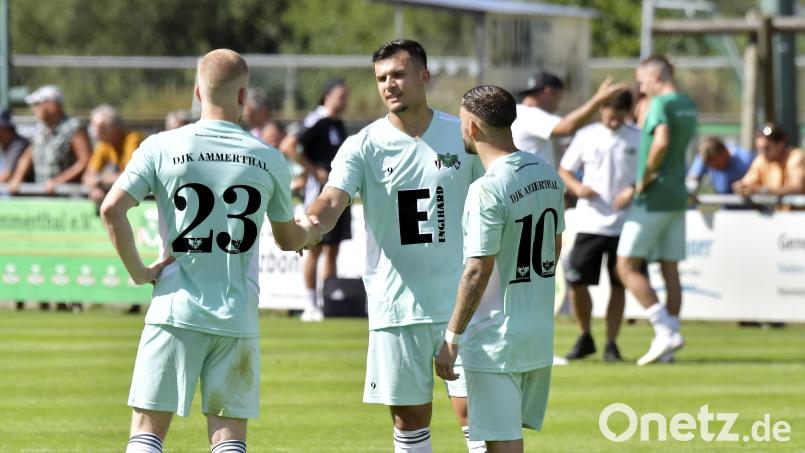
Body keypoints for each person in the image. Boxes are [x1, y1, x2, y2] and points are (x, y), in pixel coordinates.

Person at [100, 49, 319, 453]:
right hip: (236, 314)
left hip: (173, 309)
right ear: (243, 98)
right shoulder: (268, 158)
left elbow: (111, 209)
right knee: (228, 440)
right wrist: (309, 231)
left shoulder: (161, 146)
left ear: (198, 92)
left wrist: (138, 272)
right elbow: (288, 240)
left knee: (147, 433)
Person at [305, 39, 486, 453]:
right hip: (395, 305)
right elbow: (333, 199)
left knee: (474, 415)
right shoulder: (363, 145)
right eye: (382, 78)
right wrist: (313, 220)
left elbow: (495, 190)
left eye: (399, 74)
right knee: (409, 421)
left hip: (461, 302)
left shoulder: (463, 136)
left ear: (424, 76)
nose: (390, 84)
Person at [435, 85, 565, 453]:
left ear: (473, 127)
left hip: (496, 340)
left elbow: (478, 269)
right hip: (537, 335)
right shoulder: (547, 173)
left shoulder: (487, 188)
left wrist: (451, 338)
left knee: (502, 445)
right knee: (508, 440)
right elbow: (555, 246)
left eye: (462, 122)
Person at [616, 55, 698, 366]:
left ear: (656, 77)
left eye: (643, 80)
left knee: (625, 266)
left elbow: (661, 143)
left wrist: (643, 179)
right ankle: (670, 347)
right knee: (670, 268)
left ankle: (665, 332)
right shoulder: (687, 103)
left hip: (655, 194)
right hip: (678, 193)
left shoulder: (660, 104)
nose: (641, 86)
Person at [558, 91, 640, 362]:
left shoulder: (637, 137)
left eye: (618, 113)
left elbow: (649, 172)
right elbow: (565, 169)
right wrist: (578, 187)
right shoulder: (587, 135)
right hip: (590, 221)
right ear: (601, 110)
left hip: (624, 223)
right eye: (607, 111)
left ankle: (611, 343)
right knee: (577, 280)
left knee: (619, 285)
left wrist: (633, 189)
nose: (612, 118)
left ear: (627, 112)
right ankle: (585, 336)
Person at [295, 78, 351, 321]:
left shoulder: (338, 124)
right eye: (340, 95)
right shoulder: (317, 121)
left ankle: (327, 302)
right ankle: (309, 304)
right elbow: (290, 145)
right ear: (327, 95)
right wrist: (313, 170)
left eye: (346, 96)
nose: (344, 100)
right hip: (319, 195)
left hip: (339, 192)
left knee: (333, 249)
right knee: (315, 248)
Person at [510, 71, 628, 167]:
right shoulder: (529, 115)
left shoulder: (520, 112)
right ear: (548, 92)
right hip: (530, 191)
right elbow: (567, 127)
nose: (558, 105)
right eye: (558, 98)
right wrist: (598, 100)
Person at [8, 85, 92, 195]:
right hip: (44, 196)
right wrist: (17, 178)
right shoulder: (41, 129)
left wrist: (60, 181)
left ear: (52, 105)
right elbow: (28, 156)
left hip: (69, 197)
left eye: (37, 104)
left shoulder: (74, 128)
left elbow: (86, 160)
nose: (34, 109)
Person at [83, 104, 145, 204]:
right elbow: (88, 176)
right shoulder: (104, 144)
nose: (95, 131)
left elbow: (132, 176)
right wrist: (94, 187)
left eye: (101, 127)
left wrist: (100, 180)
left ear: (114, 128)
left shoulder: (133, 140)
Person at [732, 124, 805, 204]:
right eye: (759, 149)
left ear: (781, 144)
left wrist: (761, 190)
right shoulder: (761, 160)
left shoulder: (795, 157)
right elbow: (747, 183)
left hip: (799, 215)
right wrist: (741, 187)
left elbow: (798, 188)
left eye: (767, 148)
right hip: (777, 214)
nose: (763, 153)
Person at [686, 136, 753, 195]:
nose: (714, 167)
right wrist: (692, 186)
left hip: (746, 206)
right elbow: (692, 179)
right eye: (711, 165)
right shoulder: (704, 158)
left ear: (725, 152)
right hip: (723, 205)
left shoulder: (745, 160)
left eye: (716, 163)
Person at [0, 108, 29, 184]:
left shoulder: (18, 144)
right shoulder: (3, 143)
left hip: (25, 194)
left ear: (3, 127)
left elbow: (7, 175)